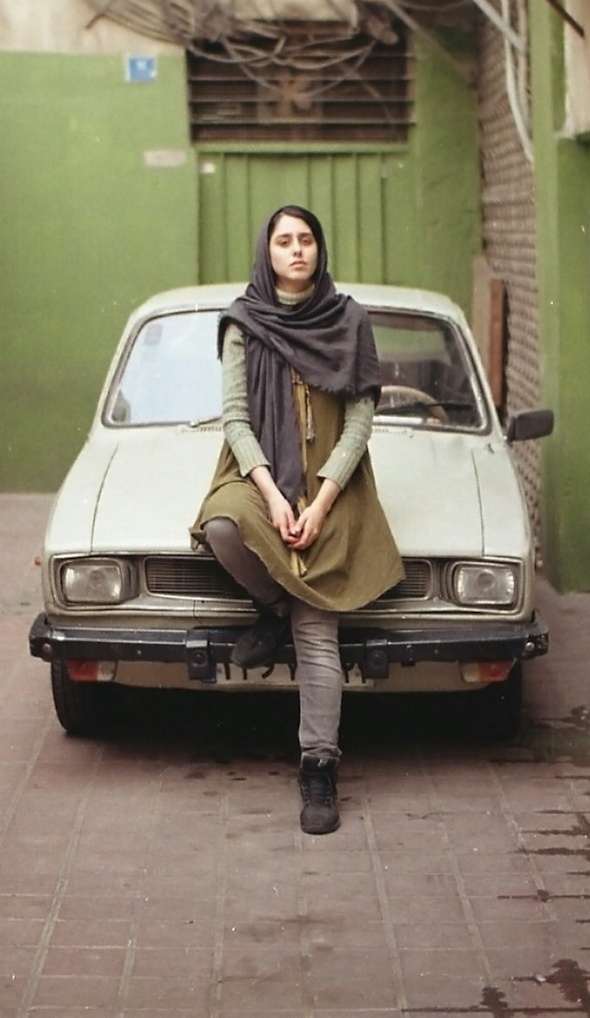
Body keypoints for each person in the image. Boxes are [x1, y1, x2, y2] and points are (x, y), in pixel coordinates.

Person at [190, 205, 404, 835]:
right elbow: (235, 417)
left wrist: (320, 500)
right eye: (284, 241)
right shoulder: (243, 323)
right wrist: (277, 499)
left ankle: (319, 765)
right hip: (261, 479)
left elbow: (361, 420)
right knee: (225, 525)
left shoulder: (349, 320)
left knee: (319, 638)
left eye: (306, 239)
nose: (297, 250)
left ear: (320, 249)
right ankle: (272, 603)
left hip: (333, 492)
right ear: (268, 251)